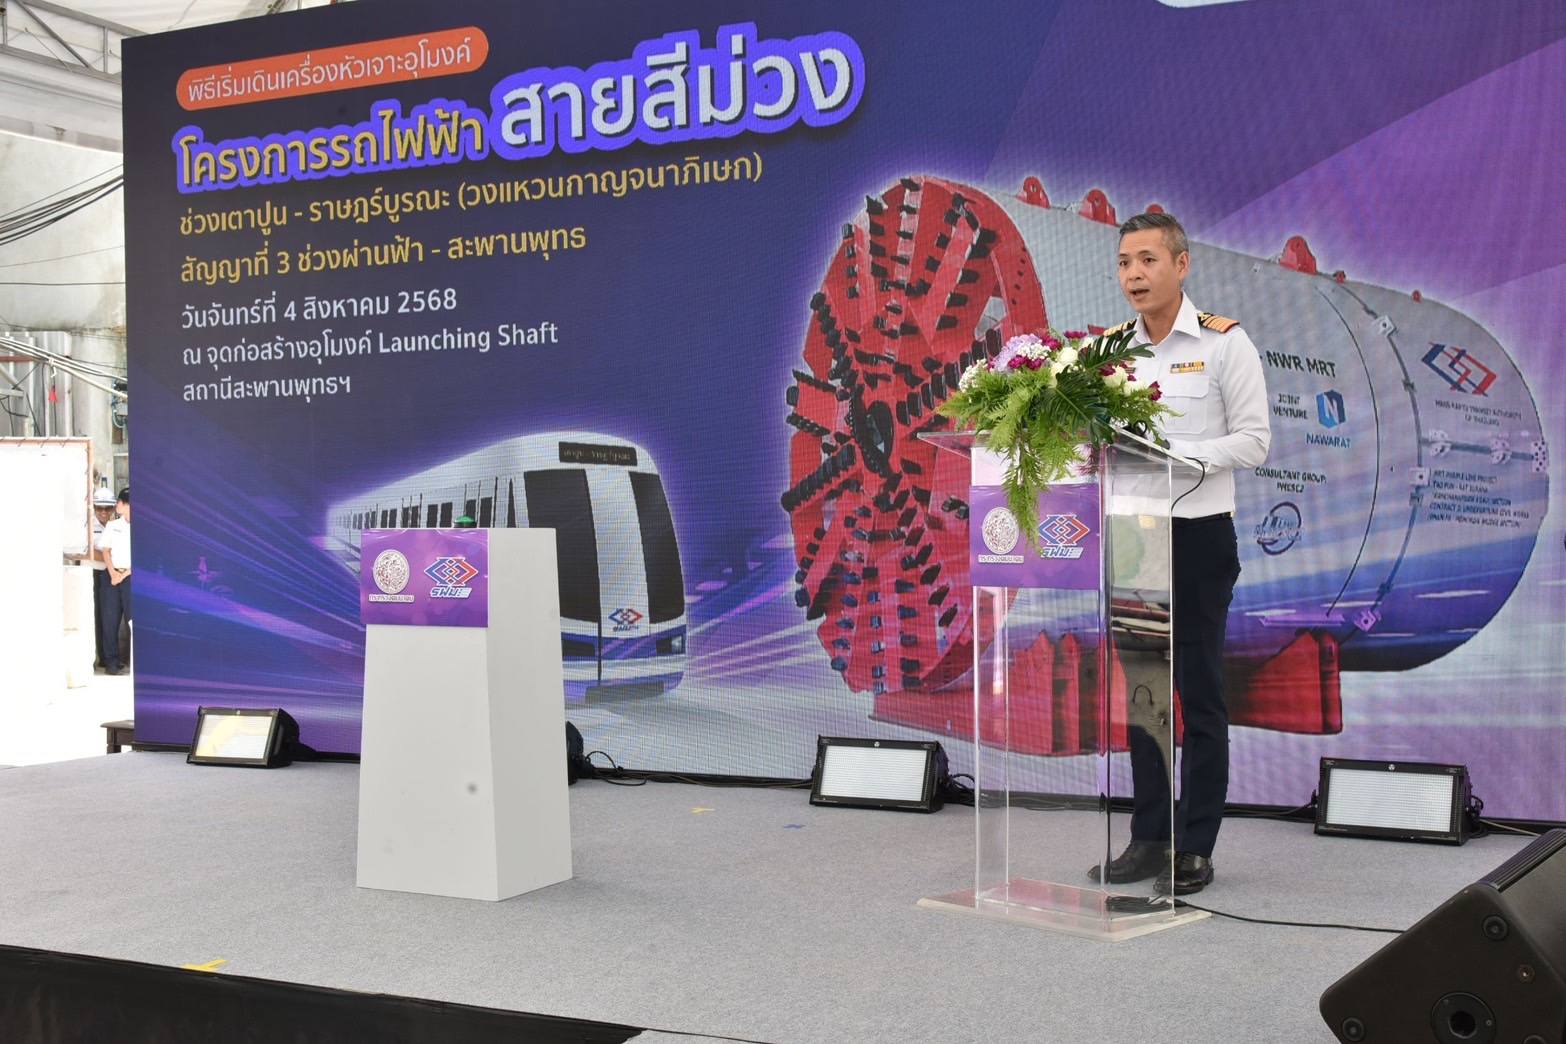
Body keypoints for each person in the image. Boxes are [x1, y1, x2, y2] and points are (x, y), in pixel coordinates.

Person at [1090, 212, 1270, 895]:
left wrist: (1175, 455)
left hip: (1197, 534)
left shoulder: (1225, 343)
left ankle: (1195, 845)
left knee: (1199, 694)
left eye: (1147, 260)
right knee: (1144, 696)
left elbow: (1254, 441)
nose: (1133, 274)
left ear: (1181, 264)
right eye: (1124, 262)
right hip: (1134, 536)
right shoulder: (1108, 352)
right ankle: (1148, 838)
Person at [99, 488, 133, 676]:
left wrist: (125, 574)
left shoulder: (140, 527)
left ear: (126, 504)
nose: (116, 505)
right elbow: (106, 551)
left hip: (130, 577)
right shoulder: (113, 525)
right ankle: (111, 663)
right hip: (111, 576)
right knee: (109, 620)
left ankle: (133, 661)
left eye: (119, 502)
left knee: (132, 620)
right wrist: (113, 573)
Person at [89, 487, 117, 670]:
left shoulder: (114, 525)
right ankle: (101, 658)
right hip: (94, 574)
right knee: (95, 618)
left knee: (108, 619)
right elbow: (90, 552)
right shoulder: (89, 526)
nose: (104, 512)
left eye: (108, 508)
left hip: (109, 575)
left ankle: (107, 658)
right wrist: (112, 559)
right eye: (100, 508)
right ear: (94, 507)